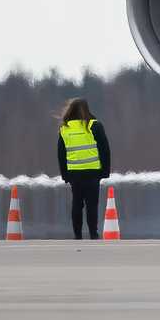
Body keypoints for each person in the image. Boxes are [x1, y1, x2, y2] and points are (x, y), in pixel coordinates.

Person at [58, 97, 112, 240]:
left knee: (77, 204)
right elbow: (104, 150)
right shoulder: (95, 126)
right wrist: (105, 172)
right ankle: (93, 234)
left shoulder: (65, 129)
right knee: (92, 205)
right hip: (93, 172)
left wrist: (65, 175)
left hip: (74, 174)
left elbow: (61, 154)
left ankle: (77, 235)